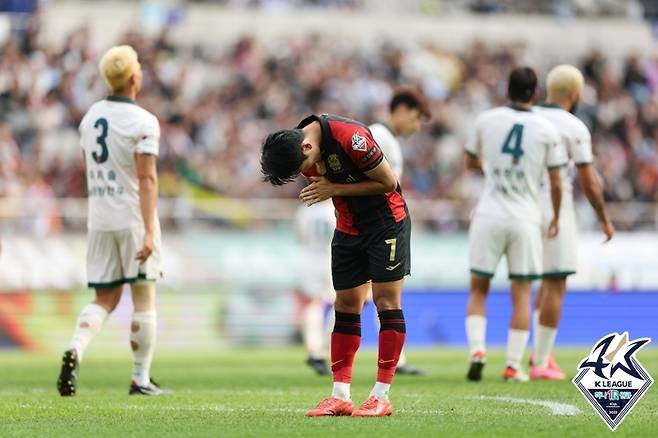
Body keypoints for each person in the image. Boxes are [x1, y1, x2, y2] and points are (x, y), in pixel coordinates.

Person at [261, 113, 410, 417]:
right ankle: (340, 395)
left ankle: (381, 395)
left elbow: (388, 182)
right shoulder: (300, 147)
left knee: (385, 302)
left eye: (303, 168)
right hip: (347, 227)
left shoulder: (350, 138)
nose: (308, 174)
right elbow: (326, 183)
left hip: (386, 224)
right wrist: (333, 191)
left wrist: (335, 189)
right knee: (344, 305)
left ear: (306, 148)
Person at [57, 45, 164, 396]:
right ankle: (140, 378)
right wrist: (149, 231)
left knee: (104, 297)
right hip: (132, 215)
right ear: (134, 77)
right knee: (144, 297)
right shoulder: (144, 121)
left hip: (99, 217)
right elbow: (146, 178)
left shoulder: (89, 117)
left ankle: (75, 347)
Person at [463, 67, 567, 383]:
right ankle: (512, 365)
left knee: (478, 289)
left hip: (489, 213)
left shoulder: (486, 120)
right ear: (535, 94)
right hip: (525, 216)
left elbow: (469, 162)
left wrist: (493, 168)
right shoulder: (547, 129)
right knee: (521, 293)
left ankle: (478, 350)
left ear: (507, 90)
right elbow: (557, 181)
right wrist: (557, 216)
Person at [530, 65, 615, 380]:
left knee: (538, 281)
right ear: (575, 94)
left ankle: (536, 353)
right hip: (555, 205)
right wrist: (604, 219)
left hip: (523, 204)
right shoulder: (573, 125)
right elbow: (589, 182)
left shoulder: (528, 117)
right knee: (556, 280)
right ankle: (540, 360)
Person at [369, 86, 430, 375]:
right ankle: (395, 360)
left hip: (377, 224)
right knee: (378, 296)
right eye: (416, 118)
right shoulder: (380, 137)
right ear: (402, 109)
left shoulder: (384, 137)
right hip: (378, 226)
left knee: (374, 296)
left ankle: (397, 358)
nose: (417, 127)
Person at [294, 200, 336, 375]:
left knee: (312, 304)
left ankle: (314, 349)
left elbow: (301, 238)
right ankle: (326, 344)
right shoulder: (336, 206)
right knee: (343, 305)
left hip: (310, 260)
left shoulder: (305, 210)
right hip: (334, 259)